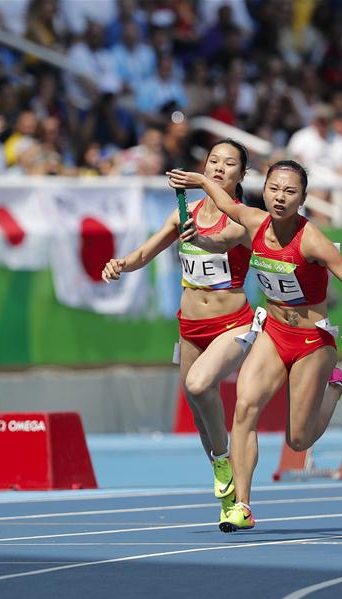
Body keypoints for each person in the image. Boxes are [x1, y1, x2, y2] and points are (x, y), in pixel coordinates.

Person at [167, 159, 342, 532]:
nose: (280, 197)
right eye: (274, 189)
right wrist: (202, 181)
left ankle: (335, 385)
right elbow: (226, 203)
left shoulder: (312, 240)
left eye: (290, 192)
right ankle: (243, 506)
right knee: (244, 410)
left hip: (312, 343)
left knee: (297, 440)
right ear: (264, 190)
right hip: (273, 333)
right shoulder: (253, 222)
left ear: (302, 198)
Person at [101, 139, 254, 518]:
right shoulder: (183, 212)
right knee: (200, 413)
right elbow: (144, 252)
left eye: (229, 163)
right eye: (213, 160)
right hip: (190, 327)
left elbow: (217, 242)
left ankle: (224, 459)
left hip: (231, 323)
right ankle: (228, 500)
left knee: (199, 385)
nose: (219, 168)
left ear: (241, 174)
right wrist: (119, 264)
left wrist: (198, 215)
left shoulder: (244, 219)